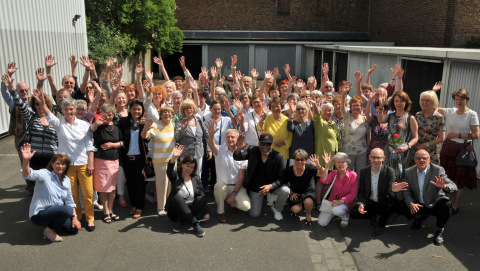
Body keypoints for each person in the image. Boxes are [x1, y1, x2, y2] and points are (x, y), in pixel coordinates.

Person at [33, 89, 96, 232]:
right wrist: (42, 102)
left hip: (83, 163)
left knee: (88, 193)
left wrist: (91, 162)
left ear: (75, 110)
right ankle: (77, 217)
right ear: (62, 110)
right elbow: (48, 114)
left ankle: (90, 219)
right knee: (72, 195)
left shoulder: (83, 124)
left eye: (71, 109)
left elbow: (89, 145)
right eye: (66, 109)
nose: (69, 111)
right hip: (66, 166)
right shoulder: (58, 123)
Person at [21, 144, 81, 242]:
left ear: (66, 166)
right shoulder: (45, 174)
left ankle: (53, 224)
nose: (60, 166)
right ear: (52, 164)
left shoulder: (67, 180)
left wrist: (74, 218)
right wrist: (26, 160)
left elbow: (70, 201)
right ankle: (49, 230)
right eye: (57, 163)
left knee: (73, 230)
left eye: (63, 164)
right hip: (39, 215)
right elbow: (28, 175)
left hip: (57, 212)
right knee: (67, 210)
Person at [437, 88, 479, 214]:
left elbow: (476, 135)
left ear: (466, 100)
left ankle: (455, 205)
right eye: (457, 99)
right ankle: (447, 201)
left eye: (462, 99)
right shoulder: (450, 111)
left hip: (463, 150)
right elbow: (432, 105)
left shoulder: (472, 114)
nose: (459, 101)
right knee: (446, 176)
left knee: (459, 179)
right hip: (448, 147)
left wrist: (457, 135)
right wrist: (434, 90)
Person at [403, 149, 458, 246]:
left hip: (433, 203)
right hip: (418, 203)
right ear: (414, 160)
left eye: (424, 158)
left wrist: (444, 187)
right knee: (400, 202)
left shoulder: (437, 170)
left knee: (446, 205)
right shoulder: (408, 172)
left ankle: (439, 230)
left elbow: (454, 186)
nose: (421, 160)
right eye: (418, 158)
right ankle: (418, 217)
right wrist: (411, 203)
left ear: (429, 160)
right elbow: (406, 191)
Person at [233, 133, 290, 220]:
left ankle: (277, 209)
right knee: (254, 214)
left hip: (272, 186)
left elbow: (282, 178)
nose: (265, 146)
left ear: (272, 144)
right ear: (259, 144)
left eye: (268, 144)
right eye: (263, 143)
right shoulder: (253, 150)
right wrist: (238, 149)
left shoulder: (278, 156)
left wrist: (271, 186)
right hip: (256, 188)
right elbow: (238, 157)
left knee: (285, 191)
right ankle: (255, 199)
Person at [350, 148, 405, 236]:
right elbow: (362, 191)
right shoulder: (364, 171)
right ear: (369, 157)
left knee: (390, 205)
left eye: (379, 158)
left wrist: (393, 190)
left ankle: (381, 225)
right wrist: (361, 204)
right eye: (374, 157)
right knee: (354, 213)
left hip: (383, 202)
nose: (376, 160)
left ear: (383, 158)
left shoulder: (390, 172)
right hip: (370, 201)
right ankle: (372, 216)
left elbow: (389, 193)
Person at [206, 123, 250, 223]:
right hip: (223, 187)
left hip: (237, 187)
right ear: (225, 139)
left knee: (246, 206)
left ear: (238, 138)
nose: (230, 139)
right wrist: (211, 135)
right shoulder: (220, 150)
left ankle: (232, 203)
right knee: (219, 186)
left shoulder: (243, 153)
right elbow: (211, 145)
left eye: (232, 137)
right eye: (228, 137)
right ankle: (221, 211)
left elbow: (241, 177)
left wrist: (234, 194)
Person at [141, 106, 176, 216]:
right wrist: (145, 128)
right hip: (160, 160)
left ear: (172, 114)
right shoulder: (155, 125)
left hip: (172, 160)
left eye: (169, 112)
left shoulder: (174, 125)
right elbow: (144, 136)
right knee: (162, 184)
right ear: (160, 114)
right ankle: (161, 207)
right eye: (164, 112)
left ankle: (170, 205)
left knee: (171, 184)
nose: (167, 114)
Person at [90, 104, 122, 223]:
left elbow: (122, 141)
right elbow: (91, 130)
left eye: (110, 114)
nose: (108, 116)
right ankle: (105, 212)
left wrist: (114, 145)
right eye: (106, 114)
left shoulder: (117, 126)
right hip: (101, 160)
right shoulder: (98, 126)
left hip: (114, 159)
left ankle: (111, 210)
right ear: (101, 114)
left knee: (112, 187)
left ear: (113, 115)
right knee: (103, 187)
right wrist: (96, 124)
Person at [166, 145, 207, 237]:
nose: (189, 169)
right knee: (177, 198)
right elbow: (169, 171)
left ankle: (182, 218)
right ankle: (195, 224)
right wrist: (173, 157)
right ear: (182, 164)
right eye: (187, 166)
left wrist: (207, 212)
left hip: (191, 208)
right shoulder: (176, 176)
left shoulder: (196, 178)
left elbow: (202, 195)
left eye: (192, 167)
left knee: (203, 198)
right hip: (175, 210)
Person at [118, 100, 149, 218]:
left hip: (140, 158)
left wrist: (142, 126)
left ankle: (140, 207)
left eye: (139, 109)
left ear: (142, 111)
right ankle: (134, 205)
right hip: (127, 158)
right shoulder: (123, 121)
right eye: (134, 109)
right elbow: (122, 136)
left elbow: (146, 140)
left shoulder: (144, 122)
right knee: (130, 183)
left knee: (140, 183)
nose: (136, 111)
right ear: (129, 110)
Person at [378, 91, 418, 180]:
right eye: (396, 101)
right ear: (393, 102)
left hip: (402, 152)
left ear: (406, 103)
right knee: (386, 175)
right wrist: (381, 106)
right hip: (388, 150)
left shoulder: (410, 118)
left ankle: (398, 194)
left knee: (400, 176)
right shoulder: (390, 116)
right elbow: (380, 120)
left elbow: (415, 137)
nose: (399, 103)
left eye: (402, 101)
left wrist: (407, 146)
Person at [286, 150, 329, 225]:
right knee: (295, 210)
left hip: (308, 192)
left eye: (302, 160)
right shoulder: (289, 170)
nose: (300, 162)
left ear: (306, 160)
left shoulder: (310, 168)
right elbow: (284, 182)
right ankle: (303, 205)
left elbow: (325, 177)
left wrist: (319, 166)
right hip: (295, 193)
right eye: (297, 159)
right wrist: (292, 193)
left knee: (308, 201)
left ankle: (308, 215)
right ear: (294, 160)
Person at [318, 152, 357, 227]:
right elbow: (324, 181)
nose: (340, 164)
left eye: (343, 162)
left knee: (337, 210)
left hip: (345, 203)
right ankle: (335, 213)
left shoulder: (353, 175)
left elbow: (353, 193)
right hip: (331, 203)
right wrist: (326, 166)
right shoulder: (333, 173)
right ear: (335, 164)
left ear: (347, 164)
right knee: (321, 223)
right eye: (338, 162)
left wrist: (341, 201)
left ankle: (345, 217)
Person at [174, 99, 211, 176]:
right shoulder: (179, 121)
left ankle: (196, 188)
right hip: (186, 153)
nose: (189, 110)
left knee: (198, 174)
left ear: (194, 108)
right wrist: (183, 129)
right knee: (186, 174)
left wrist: (209, 149)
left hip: (199, 152)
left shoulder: (198, 120)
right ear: (183, 110)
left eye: (190, 107)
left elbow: (207, 135)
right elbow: (177, 137)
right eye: (186, 108)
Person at [340, 86, 369, 174]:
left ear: (361, 107)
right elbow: (342, 107)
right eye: (354, 105)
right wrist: (344, 94)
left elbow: (368, 134)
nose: (356, 107)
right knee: (347, 174)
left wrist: (367, 147)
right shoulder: (347, 117)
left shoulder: (365, 119)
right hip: (348, 152)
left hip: (362, 152)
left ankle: (359, 188)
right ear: (351, 107)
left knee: (360, 174)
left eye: (358, 105)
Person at [413, 91, 445, 165]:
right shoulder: (418, 115)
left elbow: (441, 138)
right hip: (416, 150)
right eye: (422, 100)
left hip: (431, 152)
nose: (424, 102)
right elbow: (413, 131)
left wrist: (424, 145)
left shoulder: (439, 117)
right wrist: (415, 145)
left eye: (427, 100)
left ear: (434, 102)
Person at [257, 97, 292, 161]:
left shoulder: (287, 120)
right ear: (270, 108)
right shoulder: (267, 118)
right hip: (269, 154)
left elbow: (291, 137)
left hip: (283, 155)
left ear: (281, 107)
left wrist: (283, 142)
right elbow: (260, 127)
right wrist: (264, 117)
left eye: (277, 106)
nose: (275, 108)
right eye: (273, 106)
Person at [364, 91, 389, 159]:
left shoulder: (389, 120)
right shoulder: (373, 119)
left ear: (386, 110)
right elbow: (367, 112)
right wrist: (371, 99)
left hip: (385, 151)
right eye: (377, 107)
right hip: (372, 151)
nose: (378, 109)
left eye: (381, 108)